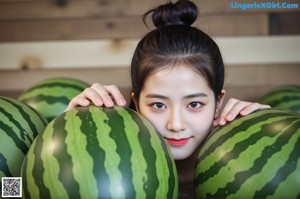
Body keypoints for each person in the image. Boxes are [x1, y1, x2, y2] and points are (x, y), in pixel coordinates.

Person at [66, 0, 270, 197]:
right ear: (136, 103)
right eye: (158, 104)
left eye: (194, 104)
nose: (176, 124)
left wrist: (266, 137)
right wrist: (70, 136)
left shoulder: (238, 166)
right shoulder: (114, 162)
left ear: (218, 103)